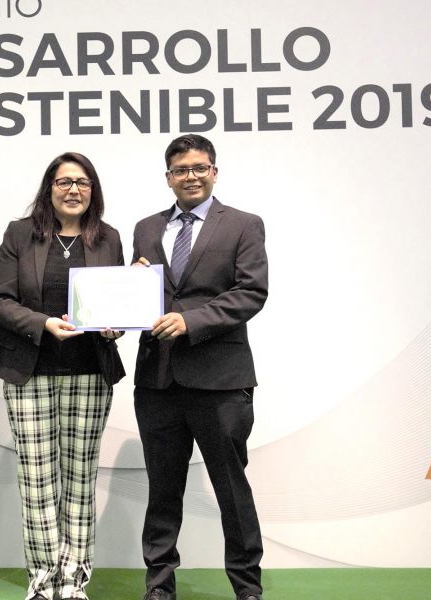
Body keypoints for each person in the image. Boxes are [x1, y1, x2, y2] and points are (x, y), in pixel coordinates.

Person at [131, 134, 268, 600]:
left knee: (232, 489)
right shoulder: (146, 228)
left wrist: (191, 321)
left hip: (221, 380)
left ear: (214, 172)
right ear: (168, 178)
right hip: (158, 379)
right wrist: (125, 298)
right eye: (180, 170)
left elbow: (251, 292)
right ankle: (159, 585)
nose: (190, 176)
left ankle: (247, 587)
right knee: (162, 490)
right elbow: (141, 296)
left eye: (199, 168)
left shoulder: (244, 225)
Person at [0, 152, 125, 600]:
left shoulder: (108, 238)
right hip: (29, 372)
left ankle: (74, 581)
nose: (73, 190)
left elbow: (118, 305)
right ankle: (43, 581)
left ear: (92, 190)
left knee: (81, 478)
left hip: (90, 372)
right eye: (64, 182)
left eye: (82, 182)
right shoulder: (20, 233)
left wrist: (115, 324)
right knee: (37, 480)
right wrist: (43, 323)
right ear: (49, 188)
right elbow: (0, 301)